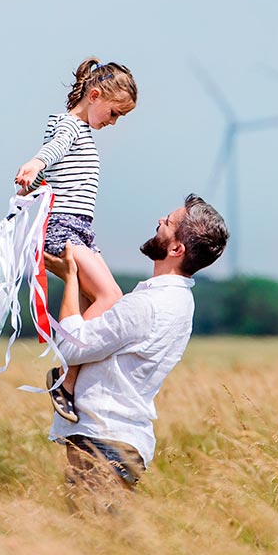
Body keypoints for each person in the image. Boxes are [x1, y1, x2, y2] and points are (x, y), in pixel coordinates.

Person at [43, 194, 229, 499]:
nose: (159, 221)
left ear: (176, 248)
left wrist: (72, 277)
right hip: (116, 439)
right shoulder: (176, 301)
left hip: (104, 441)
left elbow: (71, 347)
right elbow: (91, 332)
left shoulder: (147, 305)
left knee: (94, 538)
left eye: (168, 223)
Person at [14, 57, 138, 422]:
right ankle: (64, 378)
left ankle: (78, 386)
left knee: (95, 311)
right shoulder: (69, 125)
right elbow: (52, 150)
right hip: (64, 229)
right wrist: (36, 163)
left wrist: (33, 183)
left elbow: (53, 172)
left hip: (81, 228)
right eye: (114, 113)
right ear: (95, 95)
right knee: (111, 296)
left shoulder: (80, 131)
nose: (113, 123)